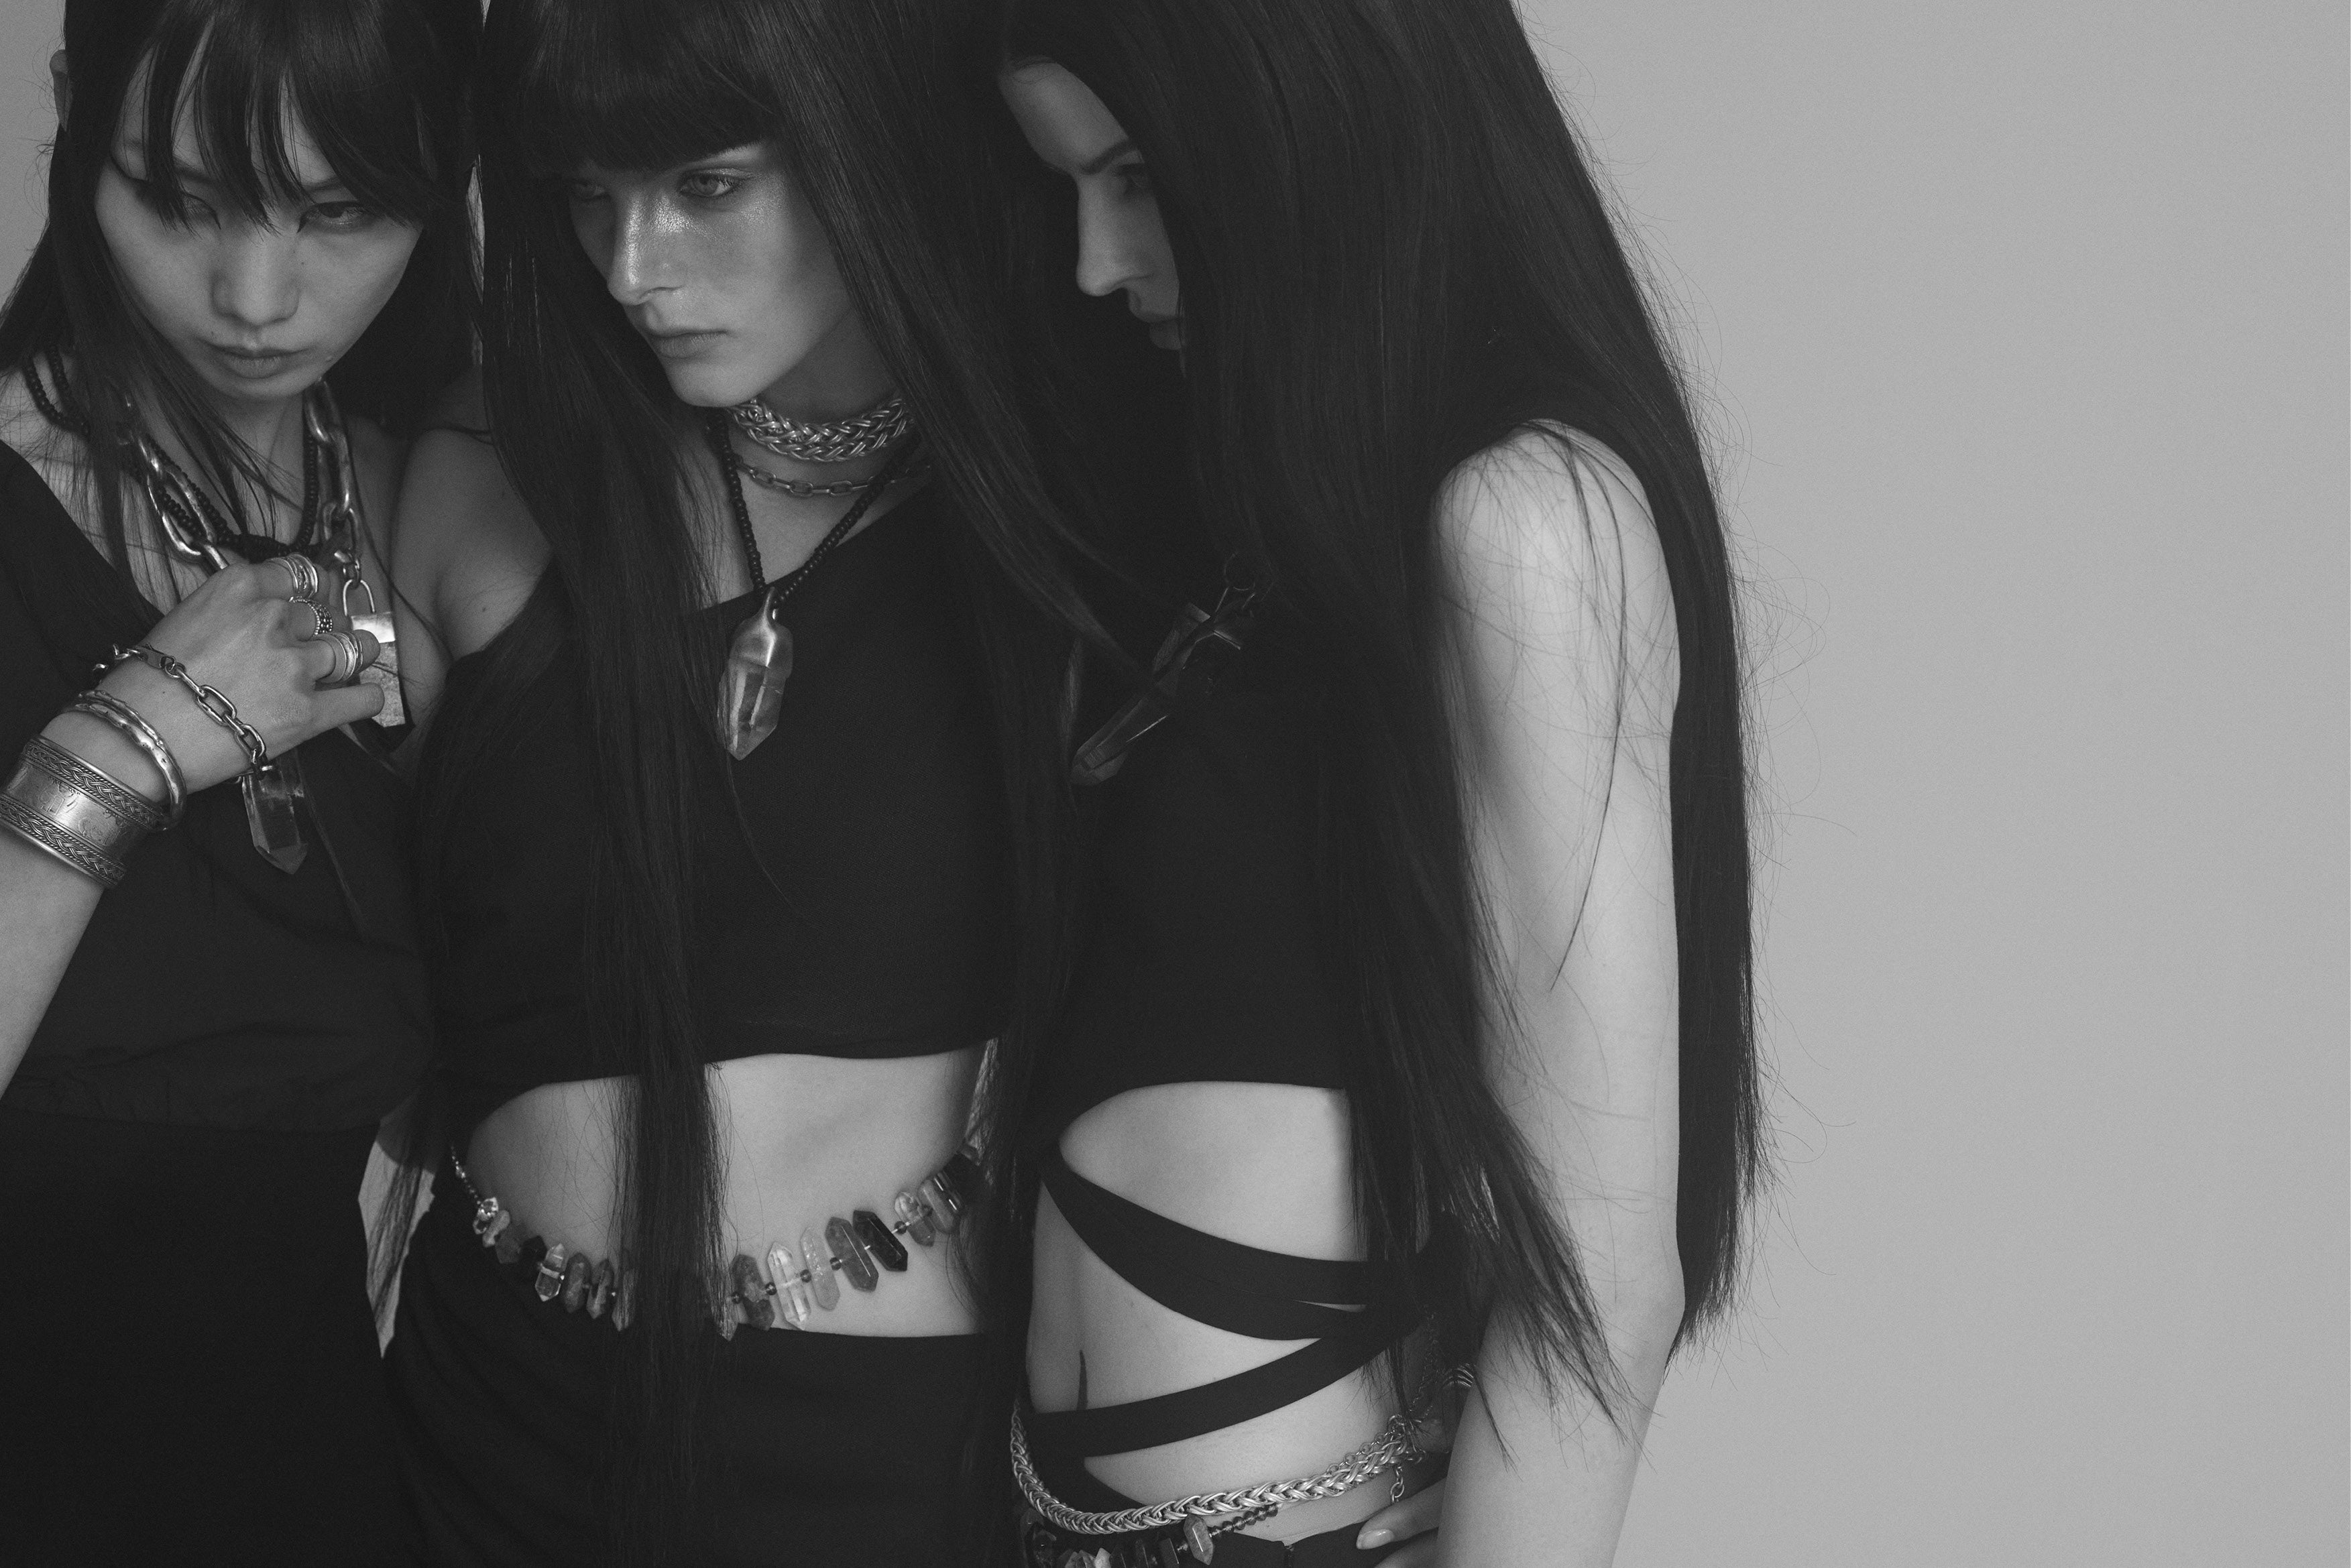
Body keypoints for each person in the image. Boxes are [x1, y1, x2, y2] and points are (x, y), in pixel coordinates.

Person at [990, 0, 1764, 1563]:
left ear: (1316, 128)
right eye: (1068, 186)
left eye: (1137, 179)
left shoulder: (1526, 521)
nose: (1095, 262)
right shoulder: (1254, 509)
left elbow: (1605, 1287)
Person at [378, 1, 1100, 1562]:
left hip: (875, 1457)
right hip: (483, 1416)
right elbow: (334, 989)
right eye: (585, 194)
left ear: (869, 143)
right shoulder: (483, 481)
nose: (630, 267)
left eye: (706, 184)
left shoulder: (1059, 525)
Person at [0, 0, 477, 1560]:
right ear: (75, 114)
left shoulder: (439, 514)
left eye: (340, 213)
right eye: (182, 199)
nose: (256, 298)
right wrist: (125, 746)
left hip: (316, 1475)